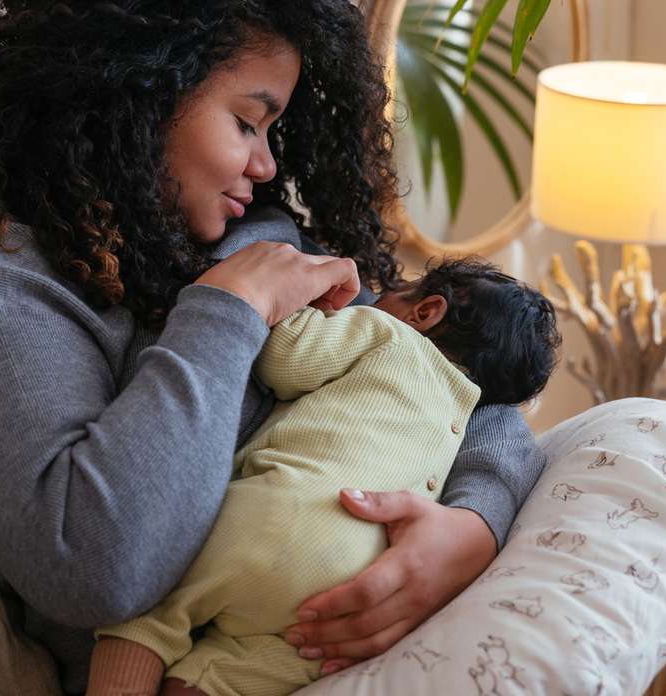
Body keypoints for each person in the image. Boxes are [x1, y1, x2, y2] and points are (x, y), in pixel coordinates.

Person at [0, 0, 546, 695]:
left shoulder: (248, 227)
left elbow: (451, 374)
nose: (267, 166)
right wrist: (226, 312)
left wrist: (472, 525)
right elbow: (97, 568)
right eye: (246, 122)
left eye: (273, 132)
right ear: (141, 90)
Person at [86, 259, 562, 696]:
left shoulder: (384, 332)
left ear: (425, 311)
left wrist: (304, 305)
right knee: (273, 662)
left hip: (275, 517)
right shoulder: (460, 421)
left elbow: (286, 361)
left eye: (397, 289)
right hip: (352, 580)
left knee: (154, 609)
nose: (376, 299)